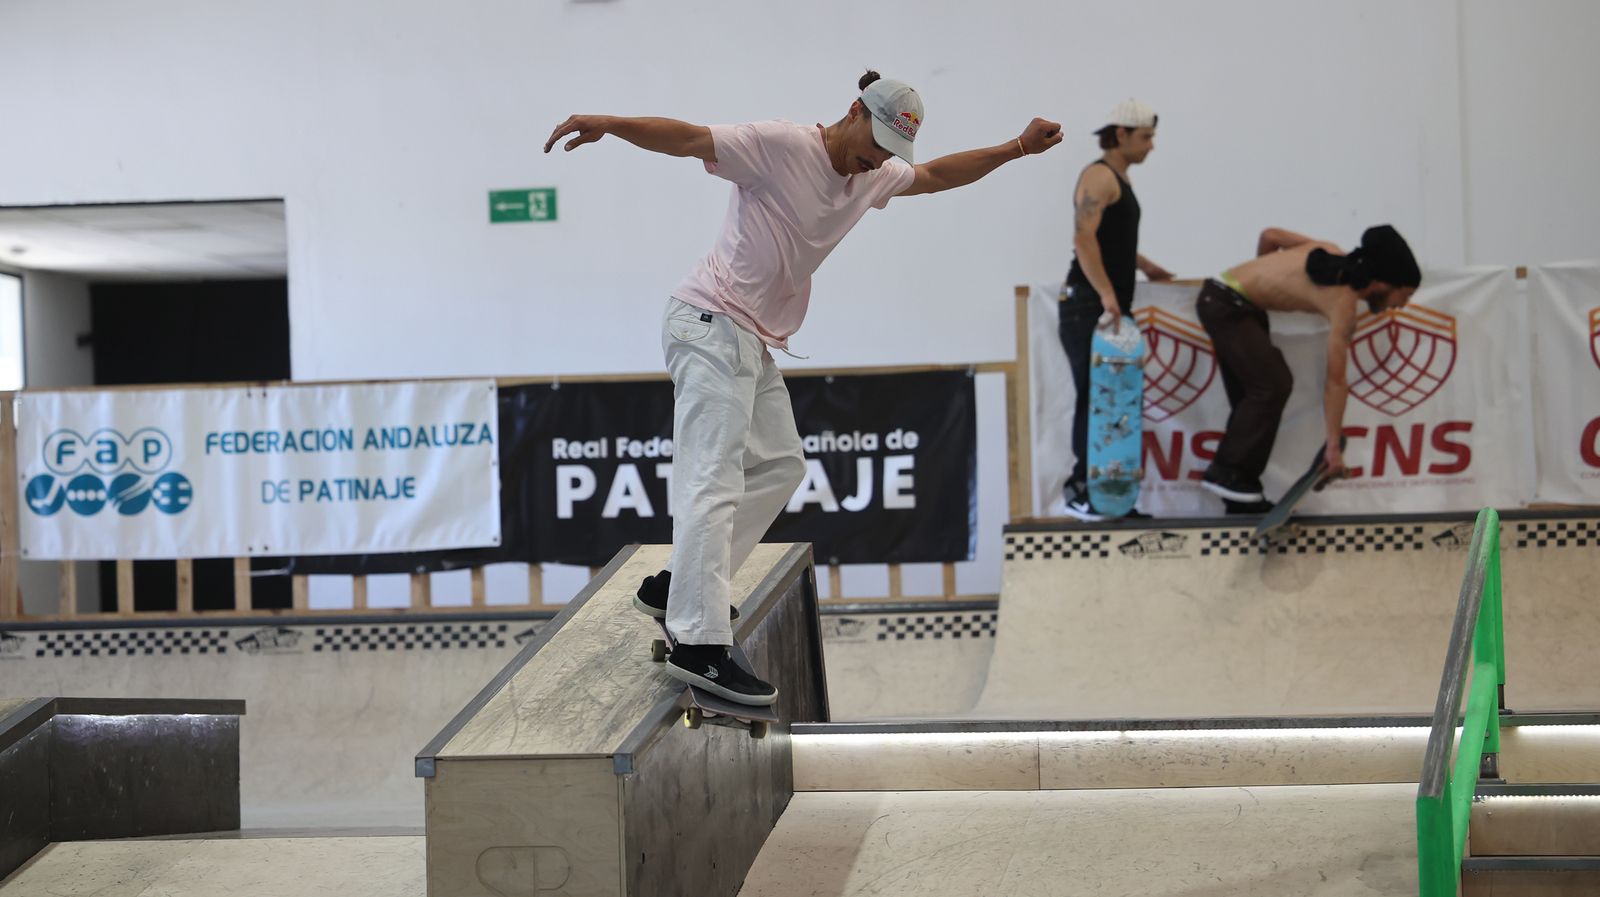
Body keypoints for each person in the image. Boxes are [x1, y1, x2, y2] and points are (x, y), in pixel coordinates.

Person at [545, 71, 1062, 705]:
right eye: (867, 147)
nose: (870, 165)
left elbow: (936, 176)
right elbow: (688, 138)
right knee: (713, 478)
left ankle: (679, 584)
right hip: (709, 323)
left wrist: (1015, 147)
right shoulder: (778, 145)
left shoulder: (873, 174)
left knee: (784, 465)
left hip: (748, 339)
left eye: (882, 158)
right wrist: (611, 124)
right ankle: (698, 642)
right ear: (852, 113)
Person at [1197, 225, 1422, 512]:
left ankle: (1238, 494)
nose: (1401, 306)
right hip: (1225, 304)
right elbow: (1336, 382)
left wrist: (1260, 279)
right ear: (1384, 283)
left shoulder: (1328, 248)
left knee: (1252, 399)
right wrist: (1332, 448)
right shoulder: (1344, 304)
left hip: (1231, 303)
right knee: (1272, 384)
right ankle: (1227, 473)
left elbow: (1271, 236)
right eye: (1404, 296)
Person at [1059, 98, 1173, 520]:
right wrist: (1107, 294)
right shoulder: (1099, 176)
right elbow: (1083, 240)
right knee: (1094, 398)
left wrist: (1146, 266)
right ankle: (1081, 490)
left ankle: (1110, 496)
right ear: (1121, 134)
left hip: (1101, 304)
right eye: (1146, 138)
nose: (1151, 147)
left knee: (1113, 403)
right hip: (1087, 305)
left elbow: (1112, 239)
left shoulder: (1118, 180)